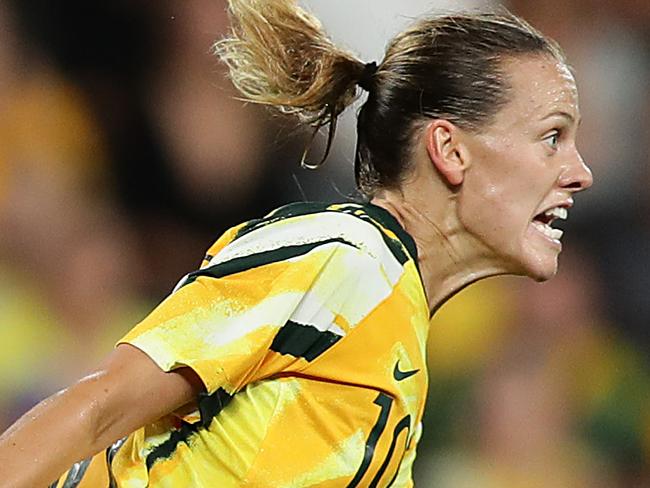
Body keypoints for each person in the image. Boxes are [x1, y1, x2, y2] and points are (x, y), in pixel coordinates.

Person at [0, 0, 593, 486]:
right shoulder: (337, 259)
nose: (579, 172)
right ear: (450, 150)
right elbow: (95, 410)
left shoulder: (401, 337)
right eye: (551, 137)